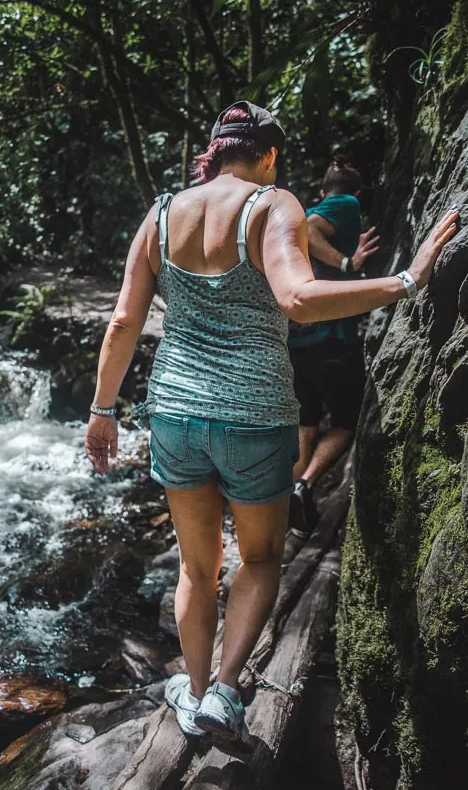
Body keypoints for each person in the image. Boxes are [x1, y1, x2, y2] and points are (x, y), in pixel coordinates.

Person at [84, 100, 459, 752]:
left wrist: (101, 411)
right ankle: (226, 694)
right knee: (259, 558)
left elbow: (122, 322)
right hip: (255, 418)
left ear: (213, 150)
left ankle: (194, 692)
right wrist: (406, 279)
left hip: (174, 413)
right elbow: (297, 299)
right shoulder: (272, 203)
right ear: (269, 155)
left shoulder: (165, 212)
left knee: (197, 571)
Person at [287, 159, 380, 537]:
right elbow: (311, 229)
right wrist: (348, 261)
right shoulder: (345, 205)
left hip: (299, 341)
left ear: (323, 190)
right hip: (332, 341)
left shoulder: (306, 211)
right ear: (354, 193)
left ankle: (291, 514)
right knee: (346, 421)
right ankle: (305, 484)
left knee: (306, 424)